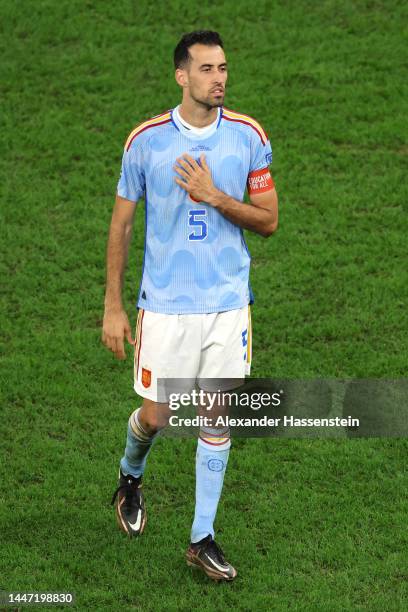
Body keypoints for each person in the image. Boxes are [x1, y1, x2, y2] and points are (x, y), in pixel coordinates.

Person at [102, 30, 278, 582]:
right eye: (206, 69)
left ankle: (201, 537)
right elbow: (123, 223)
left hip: (227, 303)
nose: (219, 77)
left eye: (223, 67)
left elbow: (268, 220)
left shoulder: (248, 136)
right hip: (167, 305)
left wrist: (216, 197)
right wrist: (113, 304)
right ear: (182, 75)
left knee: (215, 414)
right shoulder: (147, 141)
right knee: (157, 416)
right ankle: (131, 475)